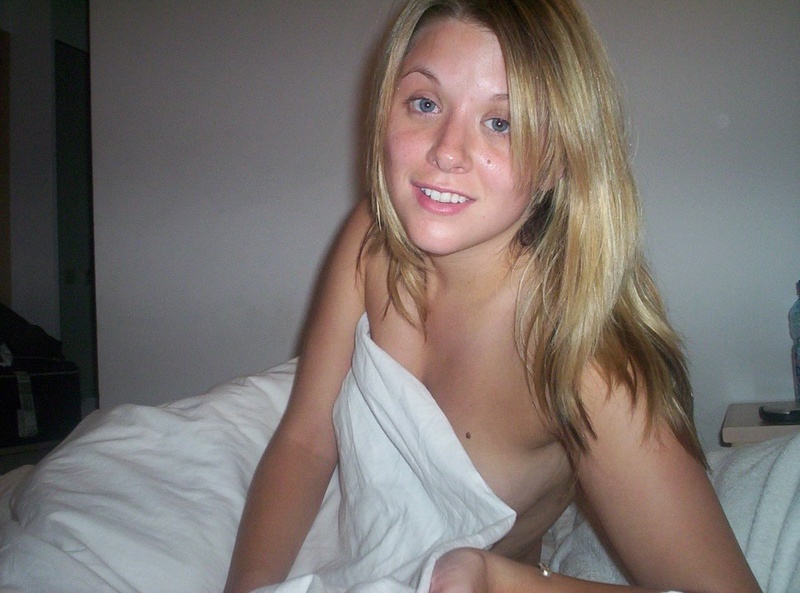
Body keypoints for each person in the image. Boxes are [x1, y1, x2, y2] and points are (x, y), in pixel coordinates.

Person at [225, 1, 761, 591]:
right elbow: (306, 441)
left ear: (558, 160)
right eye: (425, 104)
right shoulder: (370, 242)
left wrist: (499, 580)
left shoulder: (582, 361)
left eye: (501, 123)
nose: (446, 151)